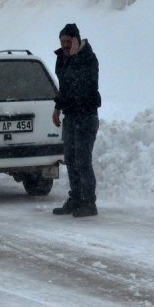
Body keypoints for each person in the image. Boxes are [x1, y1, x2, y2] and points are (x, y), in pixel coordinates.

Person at [52, 23, 101, 217]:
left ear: (76, 39)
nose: (64, 45)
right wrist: (57, 108)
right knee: (71, 159)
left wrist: (74, 57)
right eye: (62, 41)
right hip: (71, 116)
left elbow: (82, 83)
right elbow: (65, 86)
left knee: (82, 160)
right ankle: (75, 199)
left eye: (68, 41)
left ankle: (89, 203)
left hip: (87, 116)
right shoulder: (62, 59)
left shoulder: (88, 58)